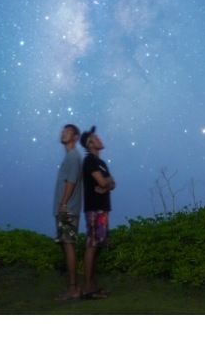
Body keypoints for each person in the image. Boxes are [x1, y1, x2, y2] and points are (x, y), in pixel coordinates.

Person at [80, 125, 115, 299]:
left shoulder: (101, 163)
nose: (100, 139)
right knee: (93, 244)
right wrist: (106, 184)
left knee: (98, 245)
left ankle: (92, 286)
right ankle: (87, 289)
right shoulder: (90, 161)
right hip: (95, 208)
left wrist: (106, 185)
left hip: (103, 208)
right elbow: (103, 183)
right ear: (90, 143)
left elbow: (112, 183)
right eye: (96, 137)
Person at [53, 123, 82, 300]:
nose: (63, 133)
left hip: (67, 210)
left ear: (76, 137)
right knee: (66, 244)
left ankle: (73, 289)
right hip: (67, 209)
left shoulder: (73, 156)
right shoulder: (70, 157)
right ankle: (73, 287)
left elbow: (71, 182)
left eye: (68, 132)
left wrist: (63, 204)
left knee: (68, 244)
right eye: (63, 131)